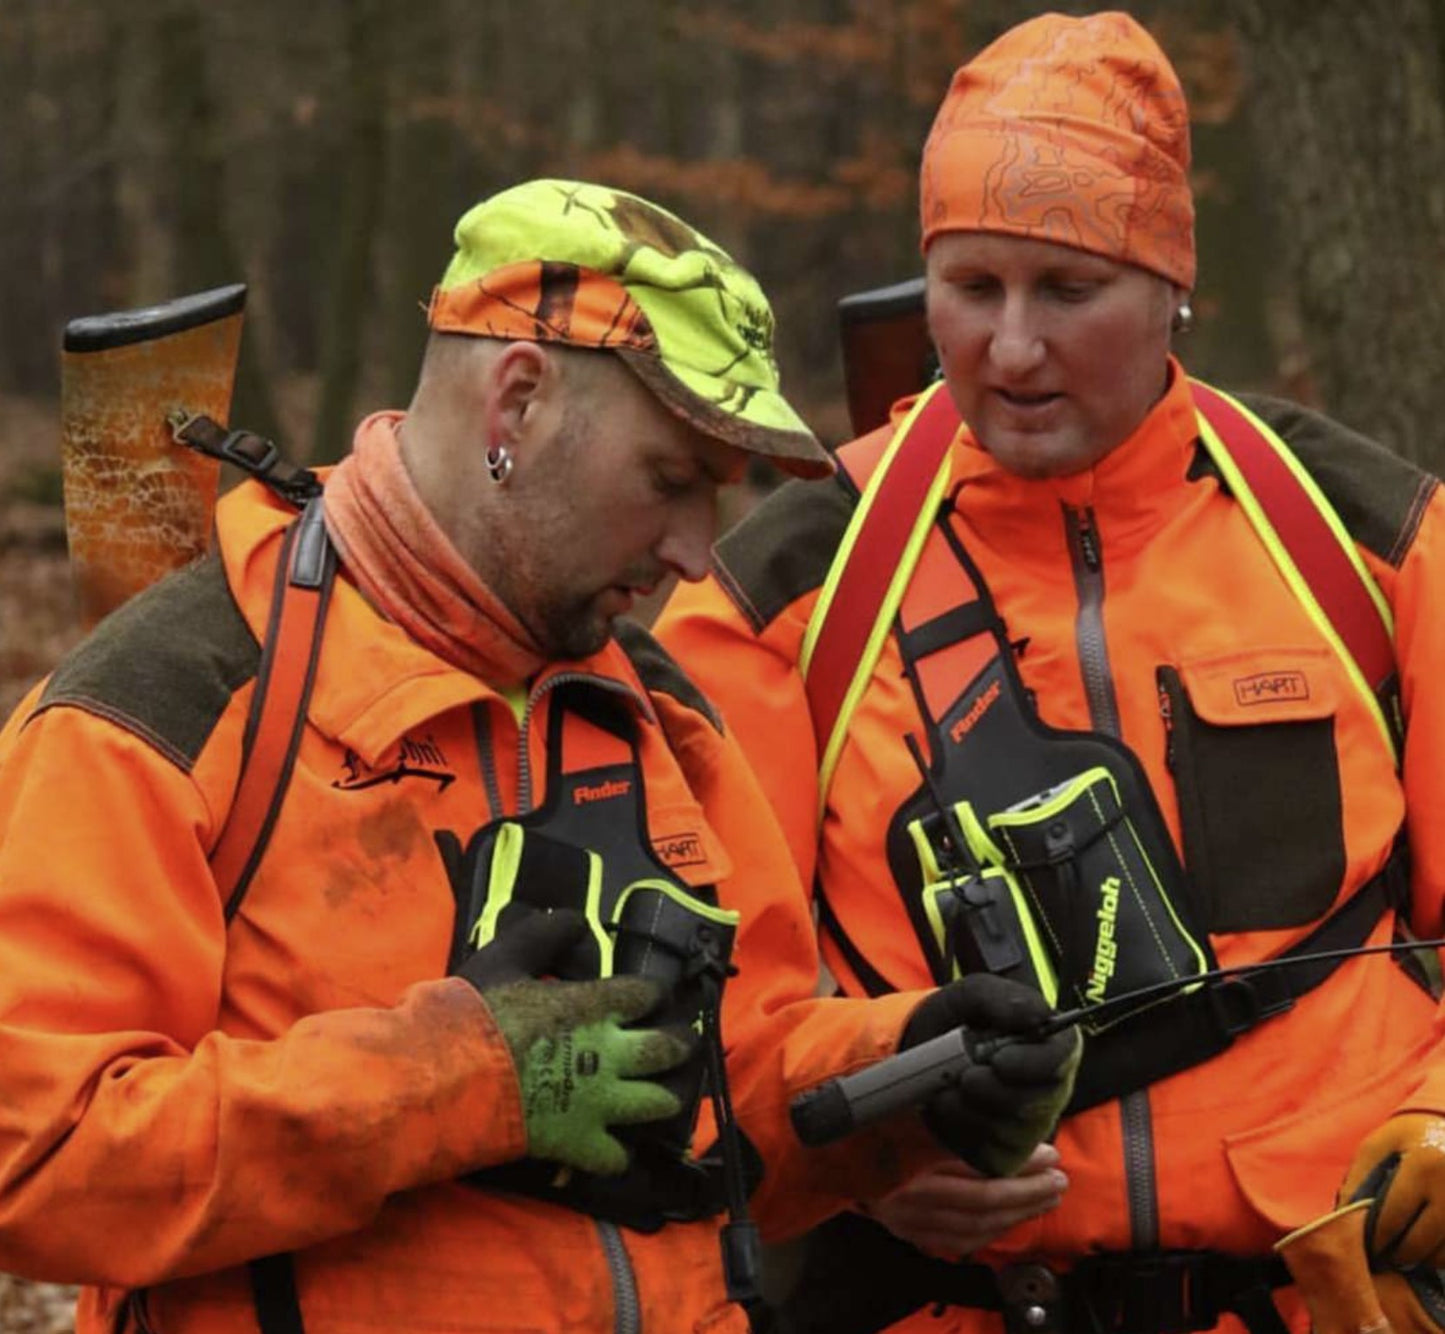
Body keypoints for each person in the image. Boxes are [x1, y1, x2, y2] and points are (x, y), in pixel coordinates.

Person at [0, 178, 1081, 1334]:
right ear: (515, 400)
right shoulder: (172, 700)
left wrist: (908, 1077)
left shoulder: (661, 715)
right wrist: (447, 1080)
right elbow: (37, 1152)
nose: (691, 552)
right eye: (668, 480)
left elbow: (727, 1093)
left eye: (713, 497)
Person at [657, 13, 1445, 1334]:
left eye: (1067, 291)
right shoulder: (786, 585)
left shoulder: (1362, 535)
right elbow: (711, 1014)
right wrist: (853, 1163)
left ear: (1172, 287)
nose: (1010, 350)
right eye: (970, 287)